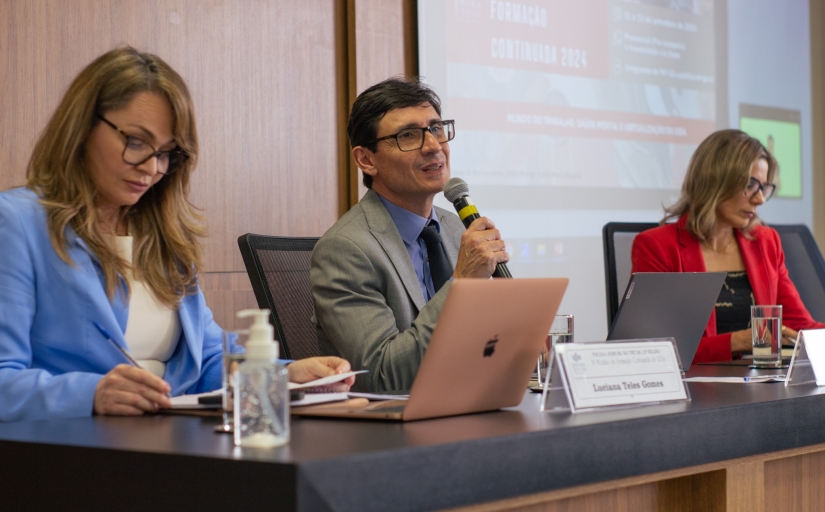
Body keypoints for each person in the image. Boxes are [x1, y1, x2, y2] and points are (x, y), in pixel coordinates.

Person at [0, 47, 353, 422]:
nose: (152, 168)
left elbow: (205, 362)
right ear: (83, 127)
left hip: (170, 443)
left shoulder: (162, 236)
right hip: (68, 450)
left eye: (167, 153)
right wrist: (92, 395)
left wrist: (283, 374)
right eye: (136, 142)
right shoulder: (18, 223)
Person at [310, 77, 510, 392]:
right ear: (366, 159)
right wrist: (462, 283)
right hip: (395, 428)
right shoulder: (346, 249)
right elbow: (382, 376)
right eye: (408, 136)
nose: (433, 146)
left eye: (436, 129)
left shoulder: (457, 227)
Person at [631, 129, 824, 363]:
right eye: (750, 185)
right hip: (698, 393)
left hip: (760, 384)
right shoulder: (657, 246)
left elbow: (801, 326)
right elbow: (655, 349)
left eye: (764, 188)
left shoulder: (765, 241)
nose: (759, 199)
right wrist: (738, 341)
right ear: (715, 180)